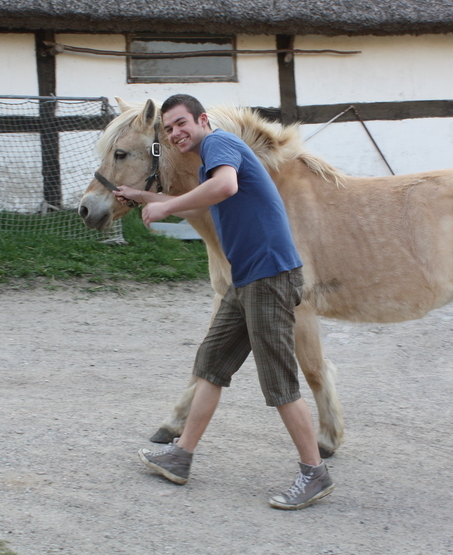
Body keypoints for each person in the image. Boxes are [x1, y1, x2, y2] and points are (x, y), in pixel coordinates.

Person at [113, 94, 334, 510]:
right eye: (170, 128)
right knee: (211, 366)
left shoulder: (220, 145)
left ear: (202, 120)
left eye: (182, 123)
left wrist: (167, 208)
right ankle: (181, 456)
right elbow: (206, 201)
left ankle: (315, 472)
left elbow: (226, 185)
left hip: (269, 278)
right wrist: (144, 198)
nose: (176, 133)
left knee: (279, 385)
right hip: (246, 278)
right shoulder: (208, 159)